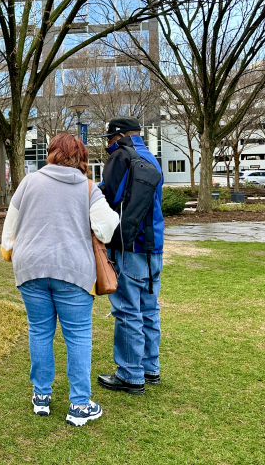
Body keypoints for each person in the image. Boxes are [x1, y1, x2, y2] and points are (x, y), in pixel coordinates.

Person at [1, 133, 119, 426]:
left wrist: (11, 253)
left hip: (30, 267)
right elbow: (107, 229)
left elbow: (9, 227)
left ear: (51, 154)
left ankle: (41, 396)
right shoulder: (89, 189)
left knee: (39, 331)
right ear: (82, 158)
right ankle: (79, 405)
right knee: (77, 336)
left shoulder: (29, 182)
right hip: (73, 271)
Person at [97, 116, 164, 395]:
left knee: (126, 310)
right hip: (154, 247)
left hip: (128, 246)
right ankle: (150, 368)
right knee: (149, 308)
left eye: (109, 139)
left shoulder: (120, 157)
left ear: (118, 136)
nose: (108, 145)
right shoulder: (152, 157)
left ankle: (129, 374)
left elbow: (104, 199)